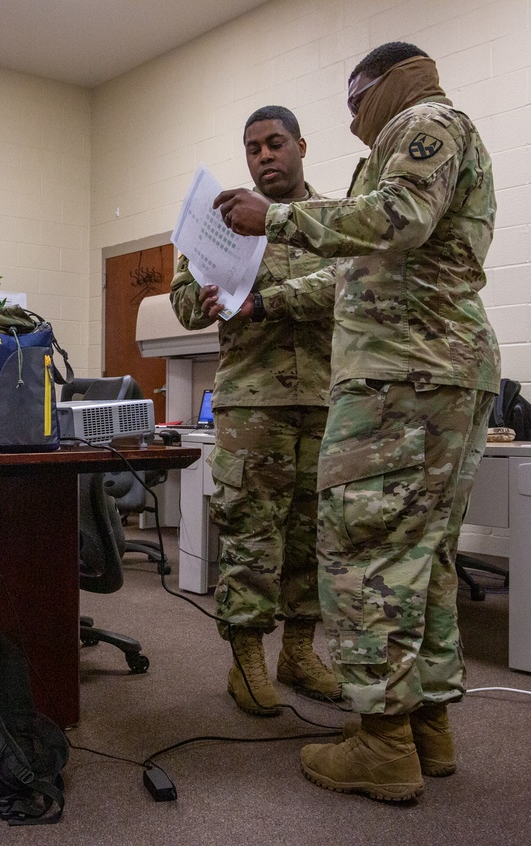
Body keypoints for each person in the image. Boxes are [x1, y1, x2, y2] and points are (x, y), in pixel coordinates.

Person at [214, 42, 500, 802]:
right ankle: (424, 727)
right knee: (422, 556)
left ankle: (383, 746)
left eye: (354, 101)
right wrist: (268, 300)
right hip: (433, 368)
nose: (350, 118)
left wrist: (277, 218)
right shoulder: (419, 138)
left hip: (400, 375)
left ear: (388, 83)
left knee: (366, 550)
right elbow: (357, 274)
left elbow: (397, 219)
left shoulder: (424, 122)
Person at [170, 106, 340, 718]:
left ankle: (299, 652)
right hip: (253, 402)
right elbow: (185, 302)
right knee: (251, 535)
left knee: (313, 536)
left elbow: (344, 286)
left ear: (300, 144)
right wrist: (204, 299)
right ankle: (247, 663)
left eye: (274, 144)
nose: (263, 156)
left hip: (324, 399)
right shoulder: (221, 220)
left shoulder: (329, 220)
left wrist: (264, 302)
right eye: (252, 148)